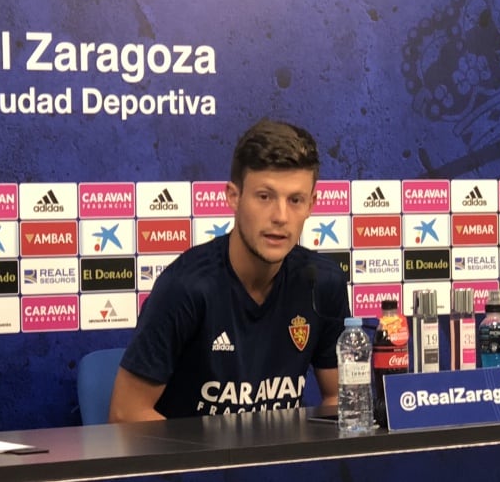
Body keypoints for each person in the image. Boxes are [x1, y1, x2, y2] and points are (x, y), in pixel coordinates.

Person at [109, 119, 350, 421]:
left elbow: (340, 398)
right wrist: (214, 466)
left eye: (296, 200)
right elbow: (125, 413)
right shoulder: (185, 286)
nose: (280, 216)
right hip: (197, 465)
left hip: (281, 466)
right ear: (233, 197)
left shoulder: (323, 282)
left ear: (312, 204)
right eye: (265, 197)